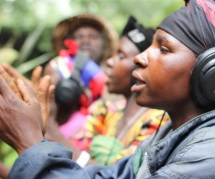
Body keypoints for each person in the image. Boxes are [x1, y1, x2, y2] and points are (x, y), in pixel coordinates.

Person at [0, 0, 215, 179]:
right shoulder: (180, 133)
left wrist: (30, 141)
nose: (140, 58)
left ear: (214, 76)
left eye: (163, 48)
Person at [69, 16, 168, 166]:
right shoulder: (106, 109)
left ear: (142, 65)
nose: (109, 61)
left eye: (121, 56)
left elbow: (120, 174)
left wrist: (49, 126)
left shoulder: (158, 121)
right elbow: (76, 145)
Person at [44, 13, 118, 139]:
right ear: (69, 42)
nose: (85, 41)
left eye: (93, 37)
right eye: (79, 37)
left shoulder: (112, 74)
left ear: (104, 44)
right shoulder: (58, 66)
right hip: (55, 137)